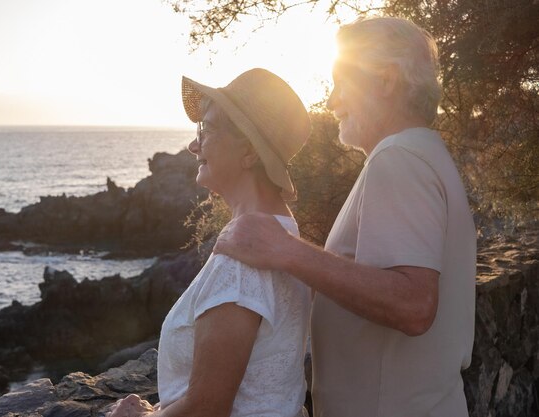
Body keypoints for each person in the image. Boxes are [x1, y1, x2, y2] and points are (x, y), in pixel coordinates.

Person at [214, 17, 477, 417]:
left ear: (386, 80)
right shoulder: (425, 155)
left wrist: (286, 251)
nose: (333, 101)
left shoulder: (399, 158)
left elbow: (414, 304)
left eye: (342, 82)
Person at [107, 68, 312, 417]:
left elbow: (207, 409)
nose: (193, 144)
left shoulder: (244, 262)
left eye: (207, 128)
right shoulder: (282, 233)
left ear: (249, 152)